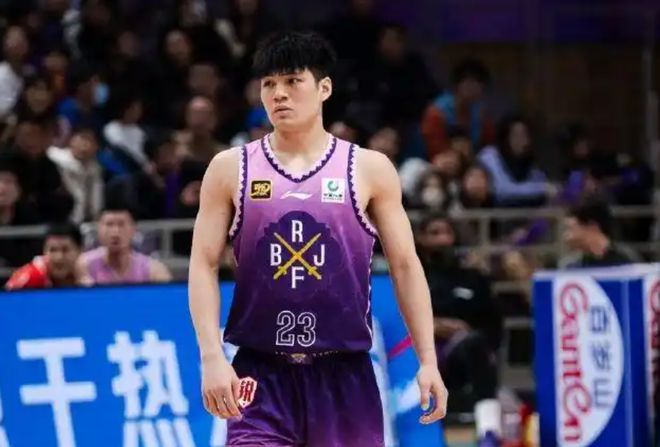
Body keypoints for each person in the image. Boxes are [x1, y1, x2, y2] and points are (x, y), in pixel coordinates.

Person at [188, 31, 447, 447]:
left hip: (345, 375)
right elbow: (202, 263)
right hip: (260, 374)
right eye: (269, 84)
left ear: (324, 88)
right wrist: (211, 357)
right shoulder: (229, 168)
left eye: (293, 81)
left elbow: (404, 265)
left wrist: (428, 360)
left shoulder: (369, 168)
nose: (279, 94)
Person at [416, 214, 501, 413]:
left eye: (447, 232)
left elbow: (493, 321)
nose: (443, 239)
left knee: (475, 346)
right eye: (435, 233)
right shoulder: (409, 276)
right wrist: (434, 326)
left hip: (464, 350)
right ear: (421, 239)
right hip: (421, 351)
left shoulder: (473, 277)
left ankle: (488, 424)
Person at [76, 206, 172, 285]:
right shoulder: (86, 264)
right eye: (109, 225)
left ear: (134, 229)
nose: (115, 232)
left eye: (121, 224)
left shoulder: (153, 270)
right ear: (99, 229)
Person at [560, 196, 640, 268]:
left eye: (571, 229)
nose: (566, 236)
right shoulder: (571, 266)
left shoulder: (627, 260)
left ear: (592, 226)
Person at [5, 223, 82, 290]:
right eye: (52, 250)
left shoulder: (88, 273)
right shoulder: (30, 277)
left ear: (79, 250)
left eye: (65, 250)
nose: (59, 257)